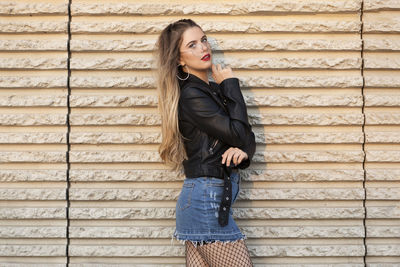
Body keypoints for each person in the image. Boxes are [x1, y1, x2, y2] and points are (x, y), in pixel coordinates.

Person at [153, 18, 256, 267]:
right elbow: (237, 132)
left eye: (204, 40)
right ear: (179, 59)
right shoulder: (193, 94)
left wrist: (242, 149)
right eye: (192, 45)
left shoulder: (210, 89)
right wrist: (231, 85)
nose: (203, 48)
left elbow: (244, 135)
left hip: (205, 200)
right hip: (205, 202)